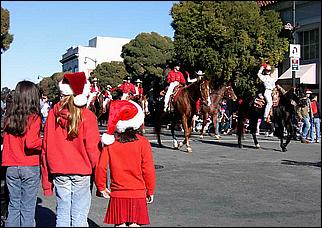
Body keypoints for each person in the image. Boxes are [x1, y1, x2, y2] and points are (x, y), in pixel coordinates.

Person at [41, 72, 101, 227]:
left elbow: (45, 149)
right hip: (82, 171)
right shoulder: (88, 116)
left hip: (59, 170)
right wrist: (100, 180)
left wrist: (46, 182)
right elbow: (93, 150)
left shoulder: (51, 116)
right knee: (79, 216)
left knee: (62, 213)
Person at [96, 99, 156, 227]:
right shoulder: (143, 142)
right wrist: (150, 190)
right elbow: (148, 169)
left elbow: (101, 167)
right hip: (138, 193)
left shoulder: (110, 143)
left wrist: (101, 187)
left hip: (118, 193)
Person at [1, 81, 42, 227]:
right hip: (29, 165)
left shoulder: (8, 118)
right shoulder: (34, 117)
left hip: (11, 165)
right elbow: (31, 143)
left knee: (13, 206)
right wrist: (43, 143)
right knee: (27, 208)